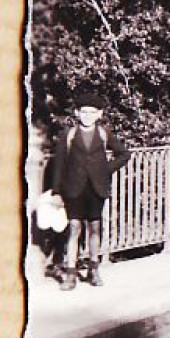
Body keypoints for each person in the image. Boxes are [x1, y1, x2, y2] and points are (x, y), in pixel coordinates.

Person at [45, 91, 132, 290]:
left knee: (94, 228)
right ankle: (70, 273)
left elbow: (124, 154)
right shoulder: (68, 134)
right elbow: (58, 164)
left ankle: (94, 269)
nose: (87, 116)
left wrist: (106, 169)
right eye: (83, 112)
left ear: (99, 114)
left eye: (92, 112)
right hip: (73, 189)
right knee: (74, 228)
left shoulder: (104, 133)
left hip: (96, 189)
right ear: (77, 113)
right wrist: (57, 191)